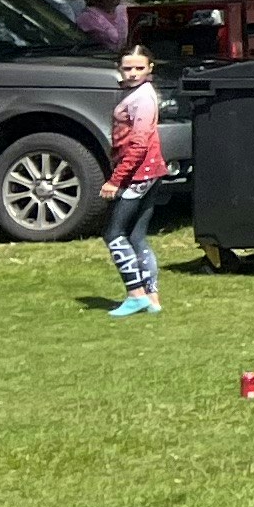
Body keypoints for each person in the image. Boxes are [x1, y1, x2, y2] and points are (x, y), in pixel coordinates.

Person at [101, 47, 167, 315]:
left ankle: (135, 294)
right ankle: (152, 299)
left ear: (150, 68)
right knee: (137, 236)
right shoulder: (141, 94)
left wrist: (115, 180)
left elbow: (138, 144)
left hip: (138, 173)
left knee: (114, 235)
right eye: (128, 68)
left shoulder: (142, 99)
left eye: (139, 68)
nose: (132, 73)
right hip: (150, 171)